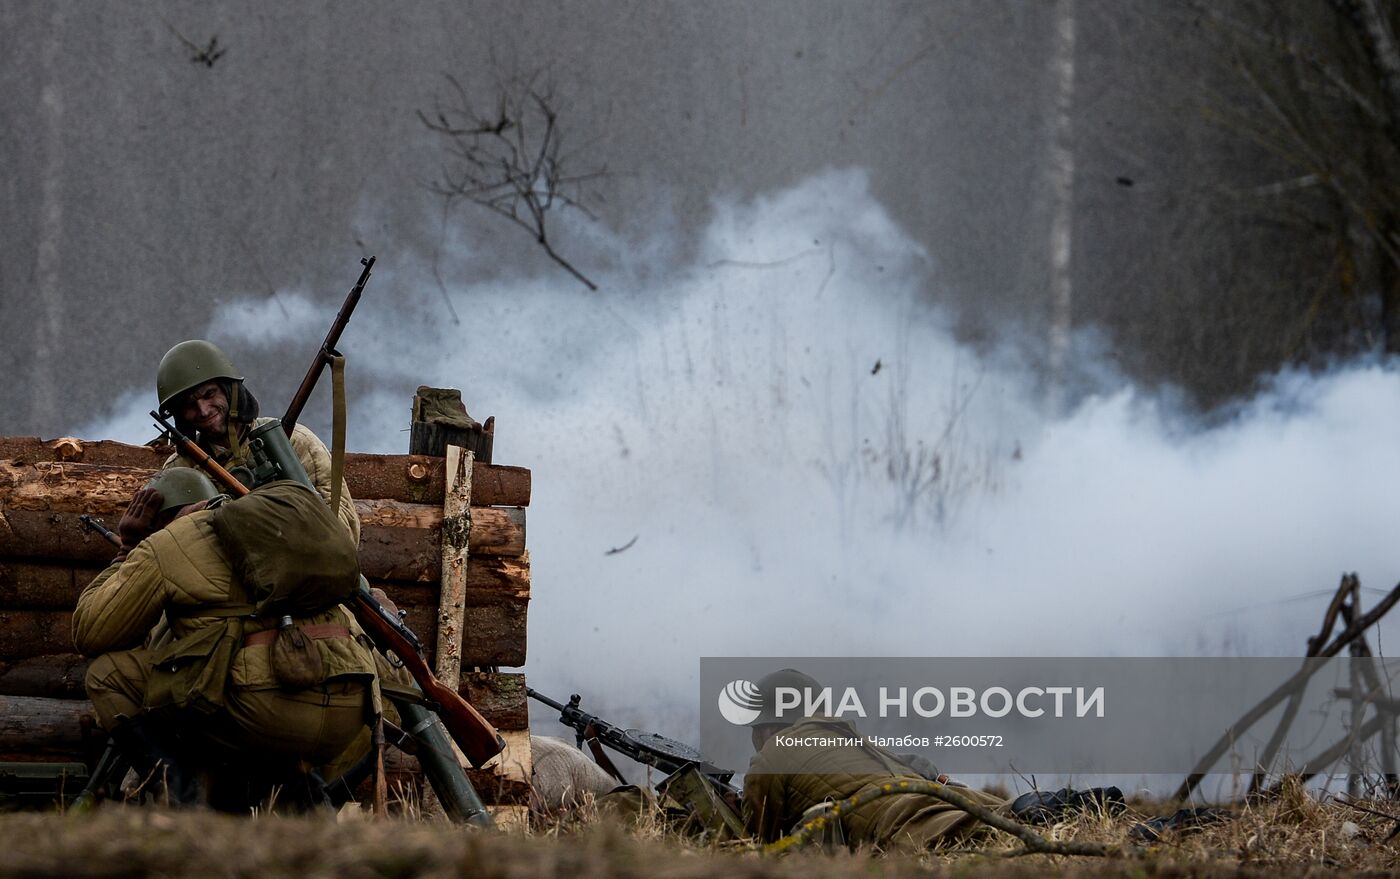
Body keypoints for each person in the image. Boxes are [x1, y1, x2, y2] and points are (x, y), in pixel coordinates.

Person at [73, 468, 379, 808]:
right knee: (247, 687)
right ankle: (302, 795)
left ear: (158, 519)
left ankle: (180, 795)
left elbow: (91, 633)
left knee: (108, 675)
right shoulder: (274, 528)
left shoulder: (170, 540)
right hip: (350, 711)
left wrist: (129, 548)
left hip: (266, 711)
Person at [741, 668, 1009, 852]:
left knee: (968, 831)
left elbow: (759, 837)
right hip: (942, 795)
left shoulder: (774, 751)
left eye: (756, 728)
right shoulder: (852, 738)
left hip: (897, 817)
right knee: (1017, 813)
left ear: (768, 725)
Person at [154, 339, 359, 543]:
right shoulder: (180, 469)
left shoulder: (295, 442)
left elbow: (343, 530)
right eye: (190, 405)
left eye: (209, 394)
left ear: (229, 389)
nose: (203, 410)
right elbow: (168, 547)